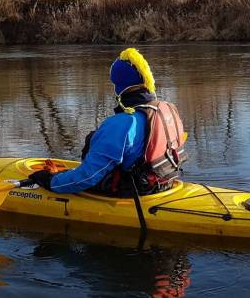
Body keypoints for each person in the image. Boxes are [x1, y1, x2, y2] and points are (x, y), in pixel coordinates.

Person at [28, 48, 186, 197]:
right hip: (166, 183)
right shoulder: (168, 109)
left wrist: (49, 181)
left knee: (93, 142)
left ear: (120, 87)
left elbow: (87, 177)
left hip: (136, 193)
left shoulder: (122, 124)